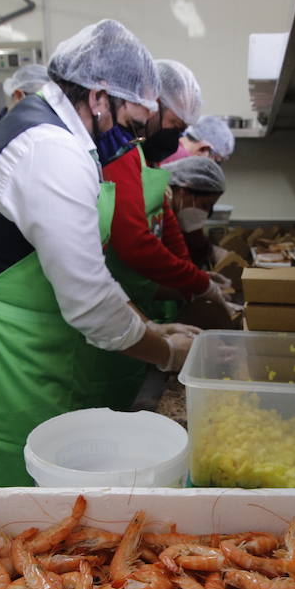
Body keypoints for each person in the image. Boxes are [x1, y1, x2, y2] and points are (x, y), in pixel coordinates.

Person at [0, 19, 198, 486]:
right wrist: (165, 353)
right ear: (100, 97)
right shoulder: (51, 150)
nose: (133, 141)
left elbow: (93, 270)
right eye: (131, 126)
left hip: (34, 332)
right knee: (33, 480)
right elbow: (88, 300)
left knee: (58, 470)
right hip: (7, 342)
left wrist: (149, 323)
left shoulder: (61, 135)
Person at [95, 58, 222, 406]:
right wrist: (197, 283)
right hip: (108, 296)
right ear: (151, 107)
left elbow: (165, 222)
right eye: (173, 124)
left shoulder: (145, 157)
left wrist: (190, 278)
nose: (175, 136)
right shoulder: (120, 153)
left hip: (127, 299)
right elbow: (134, 242)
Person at [165, 156, 227, 268]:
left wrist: (211, 251)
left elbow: (192, 240)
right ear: (183, 191)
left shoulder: (176, 207)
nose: (205, 213)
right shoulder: (159, 205)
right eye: (205, 205)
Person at [160, 114, 236, 166]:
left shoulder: (170, 146)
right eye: (216, 161)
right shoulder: (184, 161)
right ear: (204, 148)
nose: (212, 167)